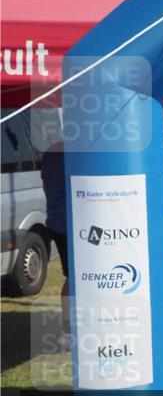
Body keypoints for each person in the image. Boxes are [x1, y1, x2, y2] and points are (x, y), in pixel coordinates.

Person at [40, 142, 71, 350]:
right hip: (77, 224)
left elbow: (46, 186)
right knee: (78, 278)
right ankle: (68, 331)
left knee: (74, 276)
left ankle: (69, 330)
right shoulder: (86, 149)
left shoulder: (50, 152)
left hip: (58, 221)